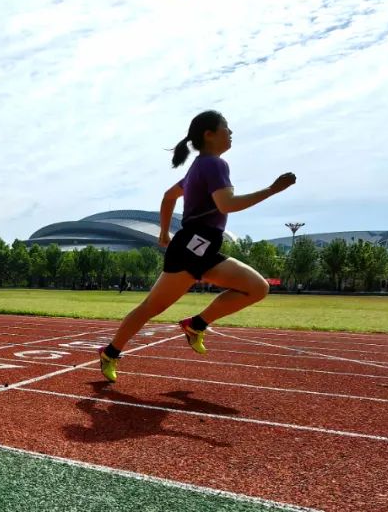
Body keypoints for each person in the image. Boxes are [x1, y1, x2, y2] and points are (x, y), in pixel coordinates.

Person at [98, 110, 296, 382]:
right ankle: (110, 353)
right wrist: (272, 190)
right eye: (227, 127)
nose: (231, 133)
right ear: (209, 134)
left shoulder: (199, 167)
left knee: (258, 287)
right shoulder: (213, 165)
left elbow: (169, 197)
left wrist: (165, 233)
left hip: (203, 246)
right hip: (193, 245)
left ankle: (196, 324)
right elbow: (227, 205)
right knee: (151, 308)